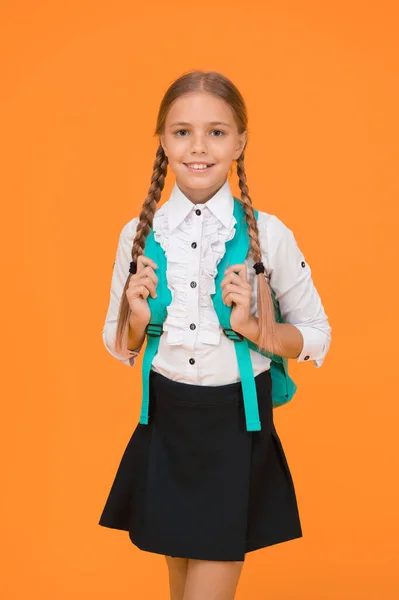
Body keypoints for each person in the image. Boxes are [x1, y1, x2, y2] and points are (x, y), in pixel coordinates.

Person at [98, 70, 332, 600]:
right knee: (181, 590)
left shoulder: (267, 235)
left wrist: (257, 328)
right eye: (181, 132)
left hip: (235, 426)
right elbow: (119, 347)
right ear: (162, 139)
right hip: (165, 419)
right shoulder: (138, 236)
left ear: (241, 141)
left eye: (217, 132)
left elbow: (318, 335)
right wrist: (134, 319)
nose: (198, 147)